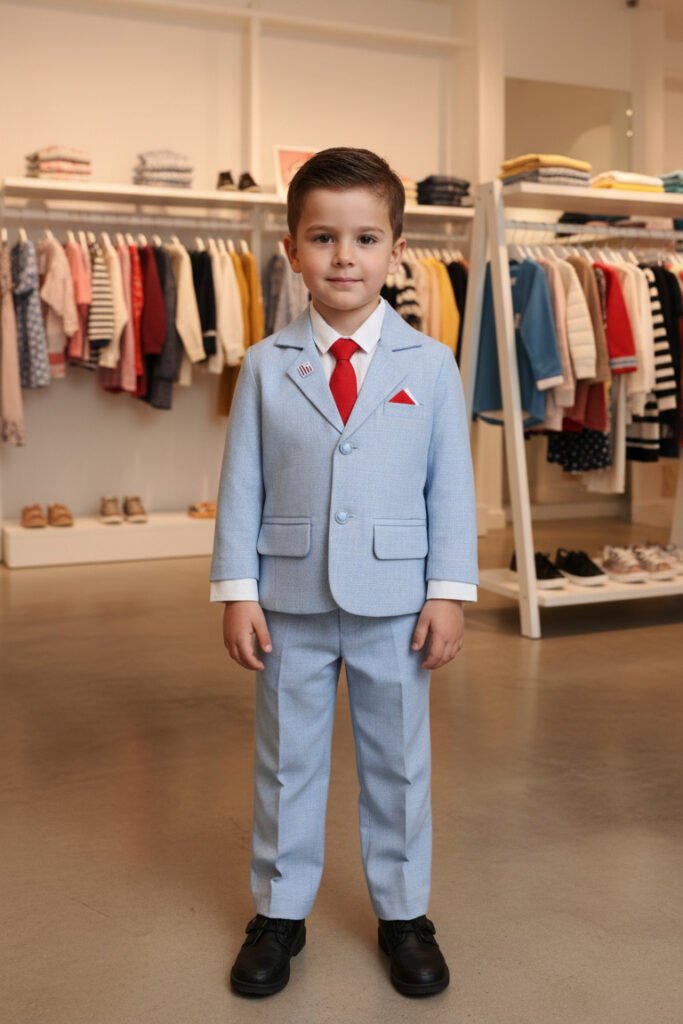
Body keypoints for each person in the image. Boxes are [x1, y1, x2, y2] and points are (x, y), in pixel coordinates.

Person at [210, 147, 478, 999]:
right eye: (322, 238)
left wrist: (448, 592)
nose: (343, 257)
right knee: (286, 761)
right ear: (291, 249)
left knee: (397, 764)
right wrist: (237, 591)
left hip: (395, 602)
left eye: (364, 239)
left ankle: (402, 913)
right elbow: (242, 484)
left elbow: (450, 487)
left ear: (396, 249)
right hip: (287, 597)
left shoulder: (429, 365)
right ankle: (279, 910)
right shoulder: (265, 364)